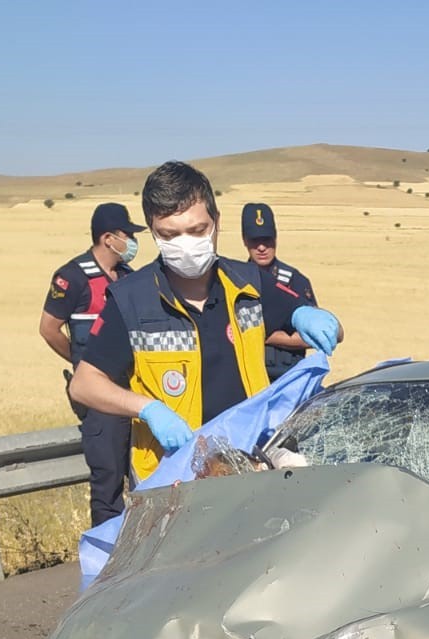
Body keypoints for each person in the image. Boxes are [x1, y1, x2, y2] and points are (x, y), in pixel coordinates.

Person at [70, 161, 340, 484]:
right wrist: (147, 409)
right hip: (173, 484)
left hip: (250, 471)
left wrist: (310, 317)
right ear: (153, 232)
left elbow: (333, 330)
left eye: (197, 230)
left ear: (216, 224)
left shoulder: (249, 283)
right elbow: (84, 384)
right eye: (170, 234)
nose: (186, 244)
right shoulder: (131, 301)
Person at [39, 202, 146, 524]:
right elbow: (49, 329)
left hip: (136, 392)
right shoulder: (72, 277)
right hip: (101, 402)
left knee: (146, 479)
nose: (131, 242)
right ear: (108, 238)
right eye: (127, 234)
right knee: (109, 484)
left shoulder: (131, 278)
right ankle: (106, 564)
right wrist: (82, 362)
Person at [242, 202, 337, 380]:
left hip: (288, 377)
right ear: (244, 240)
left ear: (276, 238)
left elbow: (310, 336)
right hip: (249, 378)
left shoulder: (295, 280)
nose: (262, 247)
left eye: (267, 240)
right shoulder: (236, 281)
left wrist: (264, 337)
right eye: (255, 241)